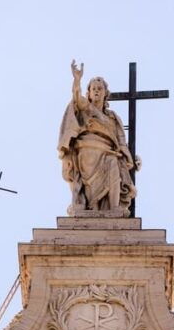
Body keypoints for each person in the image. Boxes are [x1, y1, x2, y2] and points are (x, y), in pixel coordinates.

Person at [58, 60, 136, 215]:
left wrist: (127, 155)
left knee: (113, 162)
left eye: (100, 89)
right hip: (87, 150)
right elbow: (75, 96)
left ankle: (114, 209)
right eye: (93, 88)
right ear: (89, 92)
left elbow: (120, 139)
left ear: (105, 93)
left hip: (109, 152)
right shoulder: (85, 107)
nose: (96, 91)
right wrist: (77, 80)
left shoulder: (113, 117)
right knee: (108, 162)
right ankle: (90, 204)